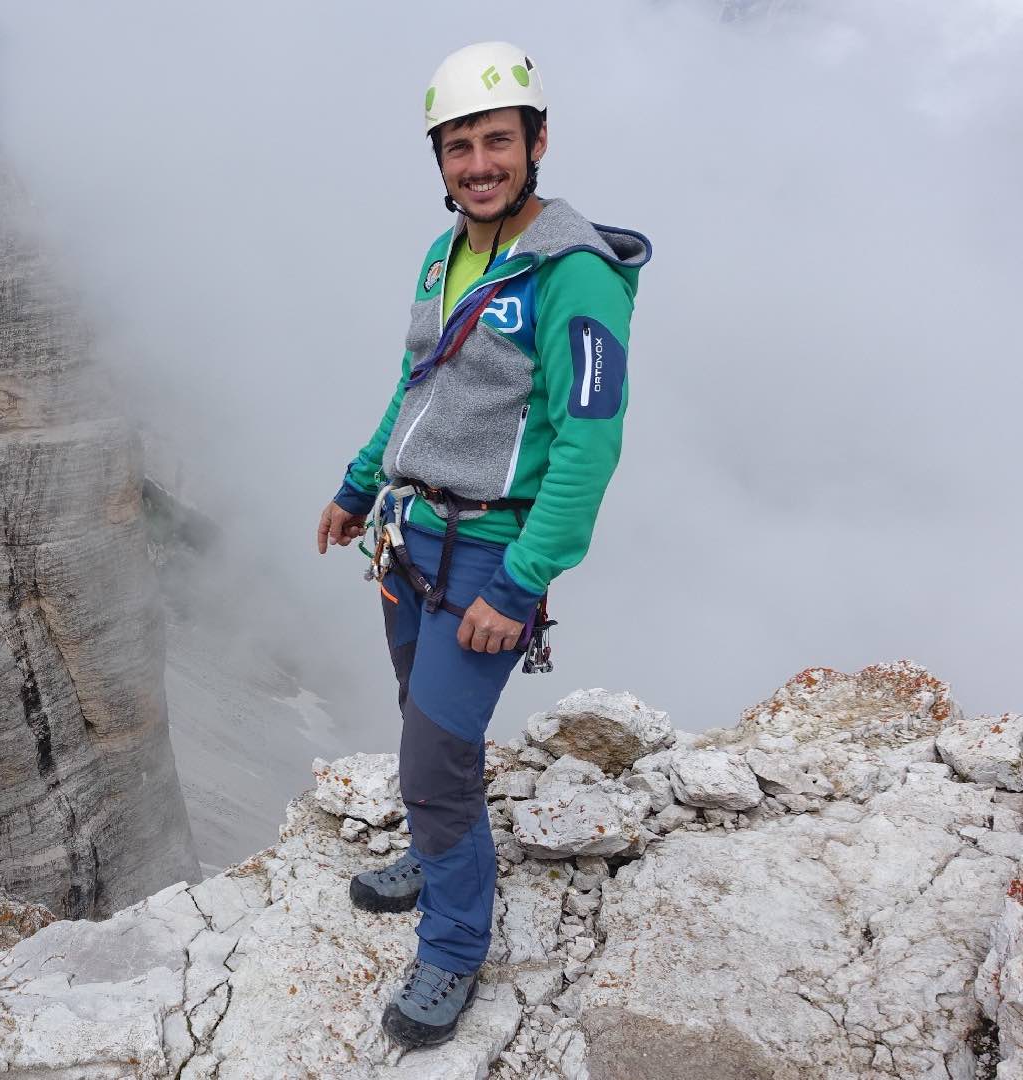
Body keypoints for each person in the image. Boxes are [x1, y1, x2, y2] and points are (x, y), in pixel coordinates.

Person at [313, 40, 650, 1049]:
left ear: (537, 142)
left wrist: (521, 580)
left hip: (486, 557)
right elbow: (417, 387)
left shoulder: (573, 274)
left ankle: (455, 946)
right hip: (409, 536)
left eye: (496, 142)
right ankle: (433, 844)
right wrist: (356, 482)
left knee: (437, 756)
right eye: (458, 148)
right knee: (423, 716)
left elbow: (590, 445)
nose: (477, 165)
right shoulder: (446, 251)